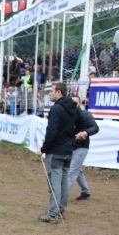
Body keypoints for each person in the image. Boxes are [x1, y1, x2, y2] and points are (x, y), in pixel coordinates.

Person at [37, 82, 77, 223]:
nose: (49, 94)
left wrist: (43, 149)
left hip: (56, 151)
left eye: (51, 91)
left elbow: (51, 131)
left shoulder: (57, 109)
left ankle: (53, 213)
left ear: (59, 92)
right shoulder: (72, 108)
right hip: (67, 150)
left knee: (55, 183)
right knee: (63, 182)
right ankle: (61, 210)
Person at [68, 96, 99, 201]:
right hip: (69, 147)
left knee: (71, 173)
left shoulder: (86, 115)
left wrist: (85, 133)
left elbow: (95, 128)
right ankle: (86, 191)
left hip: (81, 147)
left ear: (80, 104)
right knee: (77, 170)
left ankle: (61, 197)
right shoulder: (67, 115)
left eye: (76, 103)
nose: (74, 105)